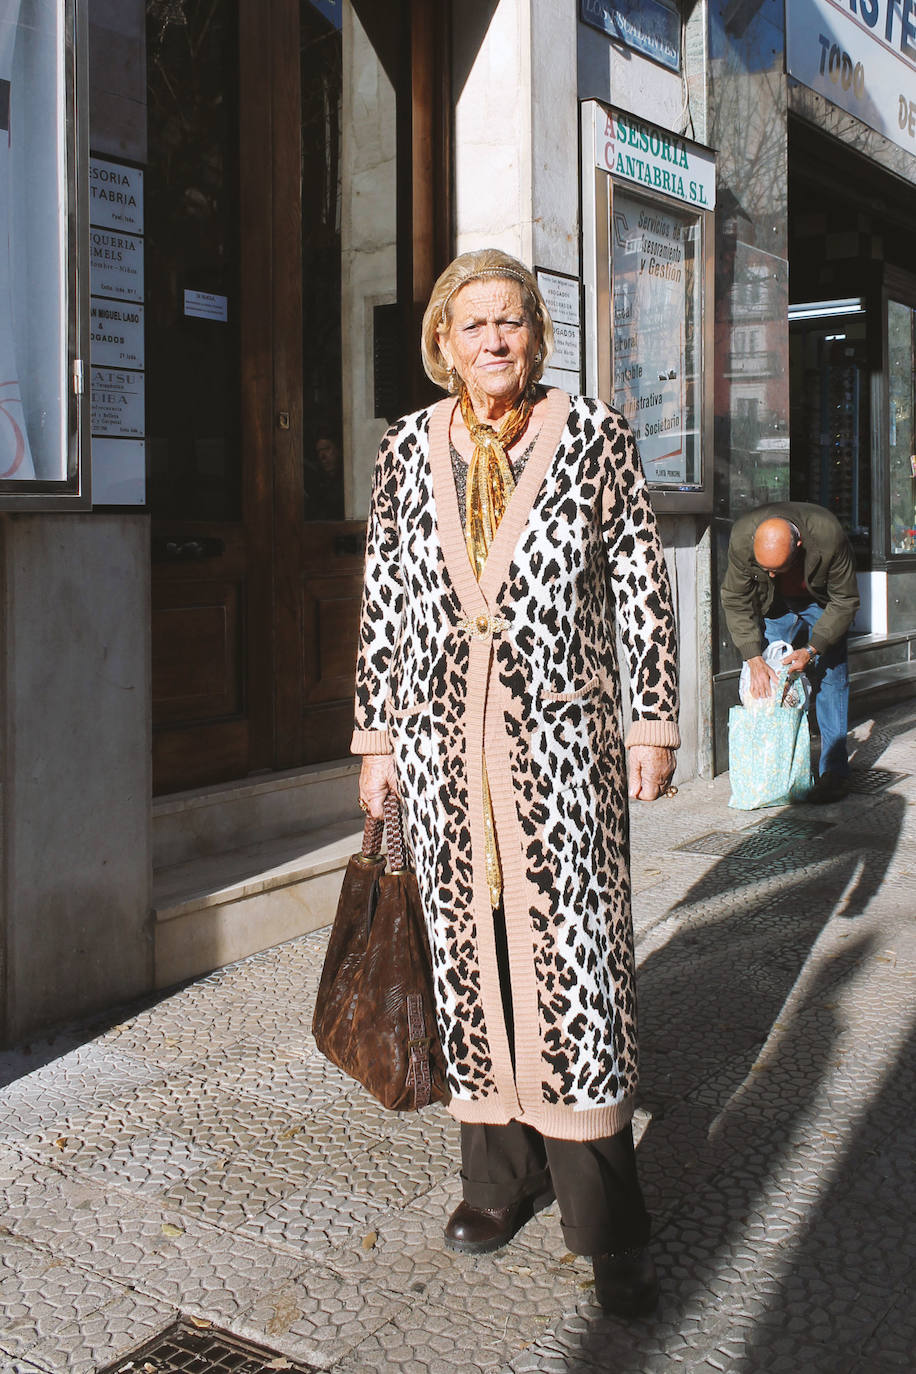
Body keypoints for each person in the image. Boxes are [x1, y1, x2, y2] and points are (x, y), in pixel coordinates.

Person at [352, 249, 679, 1318]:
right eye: (474, 324)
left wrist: (650, 718)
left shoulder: (590, 436)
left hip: (560, 748)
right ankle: (497, 1179)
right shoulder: (407, 447)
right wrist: (377, 744)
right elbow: (387, 598)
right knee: (465, 947)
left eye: (513, 322)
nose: (495, 340)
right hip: (442, 749)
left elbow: (639, 572)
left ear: (536, 334)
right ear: (442, 342)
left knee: (575, 961)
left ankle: (603, 1214)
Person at [720, 501, 860, 803]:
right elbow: (735, 598)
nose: (769, 574)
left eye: (776, 568)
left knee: (832, 675)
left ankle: (833, 773)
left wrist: (812, 649)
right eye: (764, 568)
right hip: (775, 606)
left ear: (798, 545)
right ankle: (774, 767)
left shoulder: (828, 535)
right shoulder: (744, 535)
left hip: (820, 603)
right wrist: (753, 657)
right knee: (769, 681)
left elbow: (845, 600)